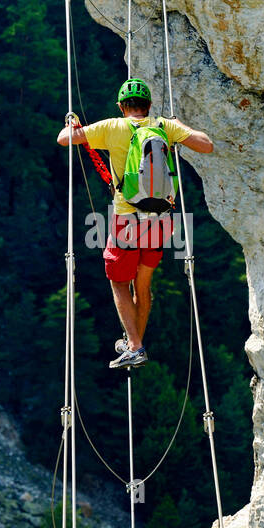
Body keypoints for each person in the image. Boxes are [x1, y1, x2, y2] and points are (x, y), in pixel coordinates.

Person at [56, 77, 213, 368]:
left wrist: (71, 124)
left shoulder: (113, 127)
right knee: (143, 285)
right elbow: (206, 145)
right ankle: (134, 344)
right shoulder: (164, 126)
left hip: (127, 219)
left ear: (121, 106)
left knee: (118, 283)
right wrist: (177, 131)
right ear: (149, 106)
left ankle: (136, 346)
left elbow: (64, 139)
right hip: (161, 220)